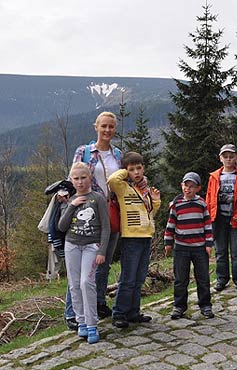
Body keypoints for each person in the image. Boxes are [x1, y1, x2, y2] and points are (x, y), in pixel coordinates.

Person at [64, 111, 122, 328]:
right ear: (96, 127)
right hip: (87, 215)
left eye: (111, 127)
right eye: (103, 126)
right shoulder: (84, 151)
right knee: (79, 268)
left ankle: (97, 303)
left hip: (111, 212)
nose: (107, 130)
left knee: (103, 260)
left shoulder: (117, 155)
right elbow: (74, 178)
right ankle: (73, 312)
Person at [107, 152, 161, 328]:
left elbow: (149, 214)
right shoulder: (124, 188)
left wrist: (156, 202)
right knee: (128, 278)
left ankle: (133, 311)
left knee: (139, 277)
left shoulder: (144, 191)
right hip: (131, 237)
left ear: (144, 168)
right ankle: (119, 313)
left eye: (139, 168)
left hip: (146, 236)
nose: (136, 172)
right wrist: (124, 171)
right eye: (132, 169)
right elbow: (112, 181)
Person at [58, 162, 110, 344]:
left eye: (83, 178)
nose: (80, 182)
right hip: (72, 245)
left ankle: (92, 324)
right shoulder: (69, 199)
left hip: (91, 246)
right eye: (76, 179)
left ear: (90, 178)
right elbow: (61, 226)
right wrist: (72, 206)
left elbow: (106, 226)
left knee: (86, 282)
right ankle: (81, 321)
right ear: (71, 180)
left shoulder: (98, 198)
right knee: (74, 284)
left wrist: (102, 250)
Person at [164, 172, 214, 320]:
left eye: (192, 186)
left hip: (199, 247)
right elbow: (170, 225)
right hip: (181, 247)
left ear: (198, 188)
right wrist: (168, 242)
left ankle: (205, 305)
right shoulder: (176, 205)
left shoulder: (201, 204)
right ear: (182, 186)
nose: (188, 189)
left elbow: (207, 224)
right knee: (181, 279)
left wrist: (209, 243)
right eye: (186, 185)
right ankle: (179, 306)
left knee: (203, 278)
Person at [206, 144, 237, 293]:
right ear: (220, 158)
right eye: (225, 157)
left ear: (236, 158)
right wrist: (208, 217)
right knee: (220, 251)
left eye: (231, 156)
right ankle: (222, 279)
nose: (228, 159)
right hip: (218, 219)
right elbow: (209, 197)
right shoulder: (214, 177)